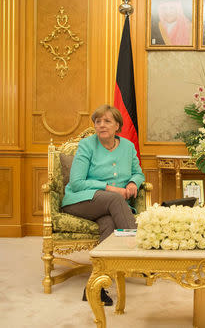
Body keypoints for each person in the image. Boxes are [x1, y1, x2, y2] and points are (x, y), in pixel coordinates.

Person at [61, 104, 145, 305]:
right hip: (80, 201)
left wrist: (134, 182)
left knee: (108, 224)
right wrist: (110, 189)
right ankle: (139, 251)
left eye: (107, 121)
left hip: (108, 207)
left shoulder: (127, 146)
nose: (101, 125)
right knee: (116, 200)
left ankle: (95, 287)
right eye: (98, 121)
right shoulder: (87, 145)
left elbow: (138, 172)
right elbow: (77, 182)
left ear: (117, 125)